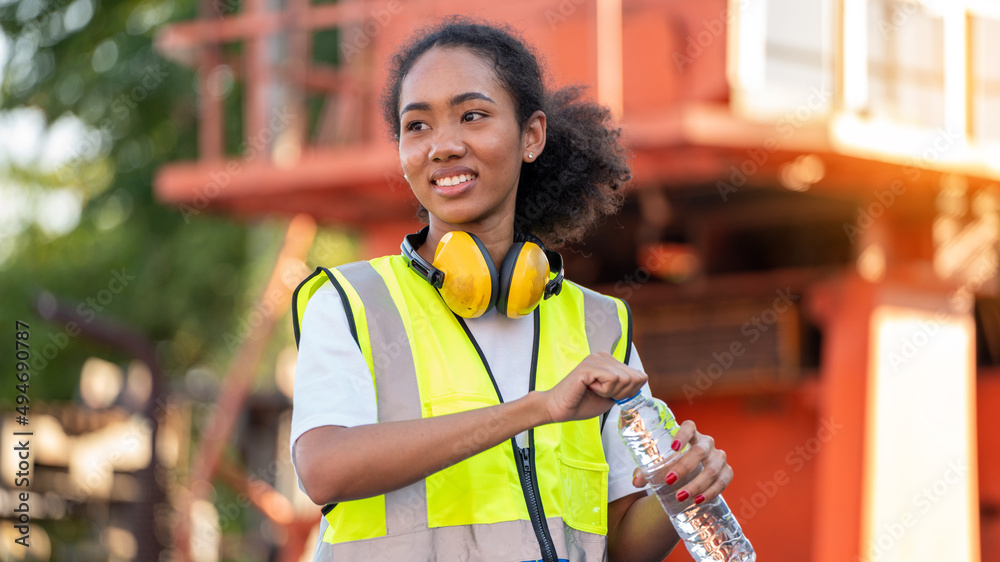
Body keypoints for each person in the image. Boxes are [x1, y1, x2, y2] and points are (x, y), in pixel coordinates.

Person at [290, 18, 735, 561]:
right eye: (418, 126)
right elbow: (324, 469)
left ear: (532, 136)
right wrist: (536, 409)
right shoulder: (352, 301)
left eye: (472, 116)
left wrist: (680, 490)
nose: (443, 146)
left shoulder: (600, 324)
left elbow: (618, 548)